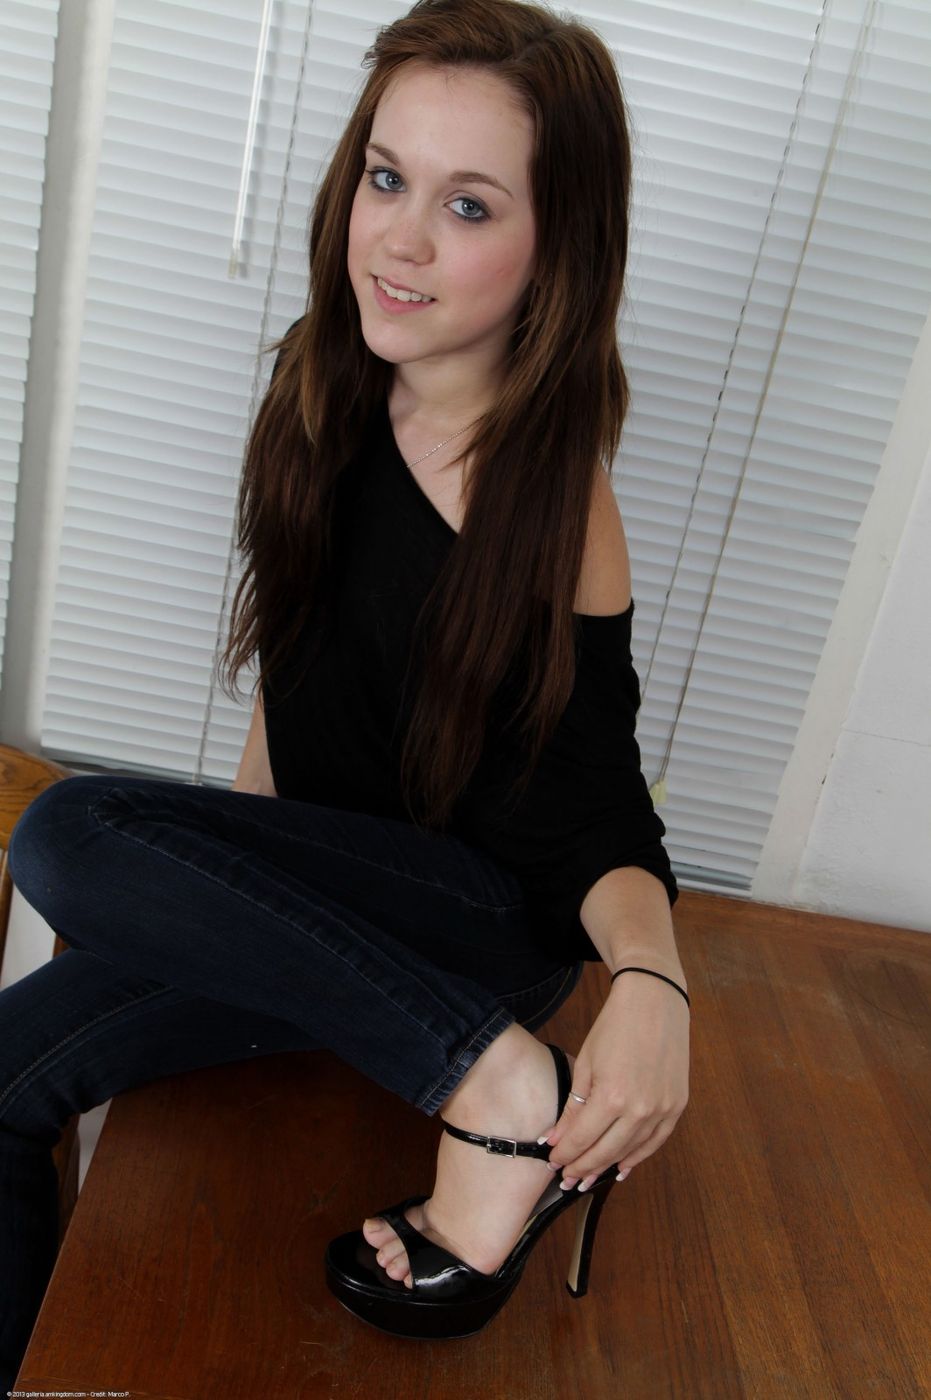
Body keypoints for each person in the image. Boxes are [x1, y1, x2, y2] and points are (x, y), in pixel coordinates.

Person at [1, 0, 689, 1366]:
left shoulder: (546, 497)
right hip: (339, 915)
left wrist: (654, 984)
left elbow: (598, 802)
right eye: (387, 178)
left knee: (66, 831)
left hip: (474, 927)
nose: (402, 240)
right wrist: (230, 889)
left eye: (469, 205)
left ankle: (499, 1084)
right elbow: (296, 675)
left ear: (558, 243)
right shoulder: (324, 386)